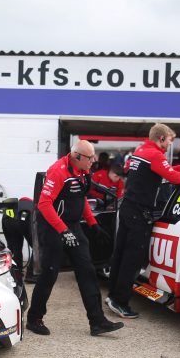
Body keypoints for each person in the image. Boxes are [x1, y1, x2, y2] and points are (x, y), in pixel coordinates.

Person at [26, 140, 124, 337]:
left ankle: (97, 321)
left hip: (72, 226)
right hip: (52, 225)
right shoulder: (58, 171)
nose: (93, 161)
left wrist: (93, 224)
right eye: (90, 158)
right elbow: (44, 204)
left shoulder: (84, 171)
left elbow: (81, 199)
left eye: (93, 156)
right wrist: (63, 231)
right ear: (76, 156)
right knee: (50, 272)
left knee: (87, 270)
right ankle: (34, 318)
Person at [107, 124, 180, 319]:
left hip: (128, 208)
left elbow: (163, 170)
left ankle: (112, 296)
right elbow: (175, 179)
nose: (170, 144)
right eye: (169, 140)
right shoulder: (155, 155)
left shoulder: (142, 150)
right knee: (132, 259)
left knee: (119, 254)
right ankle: (120, 302)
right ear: (161, 138)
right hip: (139, 213)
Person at [1, 197, 34, 284]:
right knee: (36, 247)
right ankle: (30, 274)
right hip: (21, 220)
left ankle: (12, 271)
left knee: (12, 247)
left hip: (6, 220)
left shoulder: (18, 205)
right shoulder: (31, 206)